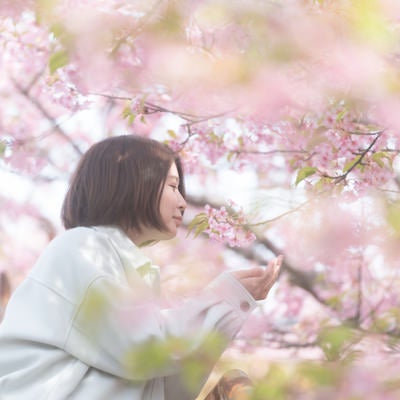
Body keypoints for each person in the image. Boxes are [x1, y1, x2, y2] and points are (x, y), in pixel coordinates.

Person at [0, 135, 282, 399]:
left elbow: (164, 390)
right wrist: (223, 297)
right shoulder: (81, 248)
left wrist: (232, 304)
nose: (183, 202)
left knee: (236, 385)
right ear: (132, 183)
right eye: (173, 186)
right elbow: (142, 350)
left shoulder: (130, 270)